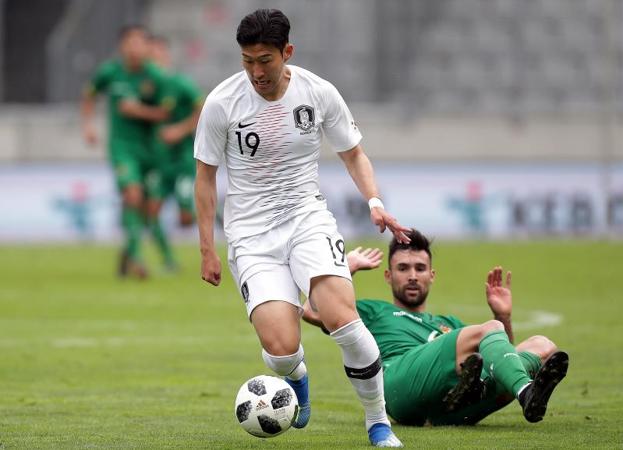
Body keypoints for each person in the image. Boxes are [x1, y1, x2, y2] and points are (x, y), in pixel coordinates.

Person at [194, 9, 408, 448]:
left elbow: (353, 154)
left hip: (306, 219)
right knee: (281, 349)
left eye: (265, 60)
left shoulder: (318, 92)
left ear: (286, 52)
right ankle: (298, 377)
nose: (256, 71)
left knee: (343, 321)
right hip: (251, 237)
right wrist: (207, 249)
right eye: (247, 60)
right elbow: (204, 178)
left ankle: (377, 423)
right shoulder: (221, 103)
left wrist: (375, 203)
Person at [304, 229, 569, 426]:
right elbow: (311, 310)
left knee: (543, 346)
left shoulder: (449, 325)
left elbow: (504, 356)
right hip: (397, 384)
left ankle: (461, 398)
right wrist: (344, 270)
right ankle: (525, 391)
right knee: (488, 331)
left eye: (420, 268)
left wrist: (503, 316)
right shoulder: (373, 310)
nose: (412, 275)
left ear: (431, 275)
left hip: (440, 406)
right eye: (403, 268)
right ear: (388, 275)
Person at [81, 25, 170, 278]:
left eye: (140, 43)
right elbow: (89, 94)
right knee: (132, 195)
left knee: (147, 208)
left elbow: (167, 112)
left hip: (150, 150)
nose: (135, 48)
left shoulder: (155, 76)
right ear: (122, 46)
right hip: (122, 148)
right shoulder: (110, 72)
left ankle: (128, 251)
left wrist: (138, 111)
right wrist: (88, 126)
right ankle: (138, 260)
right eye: (130, 42)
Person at [144, 35, 204, 271]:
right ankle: (169, 261)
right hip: (159, 162)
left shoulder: (180, 84)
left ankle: (214, 213)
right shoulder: (146, 87)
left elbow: (203, 108)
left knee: (185, 219)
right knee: (151, 212)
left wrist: (180, 130)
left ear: (165, 55)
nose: (153, 59)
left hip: (181, 161)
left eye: (156, 53)